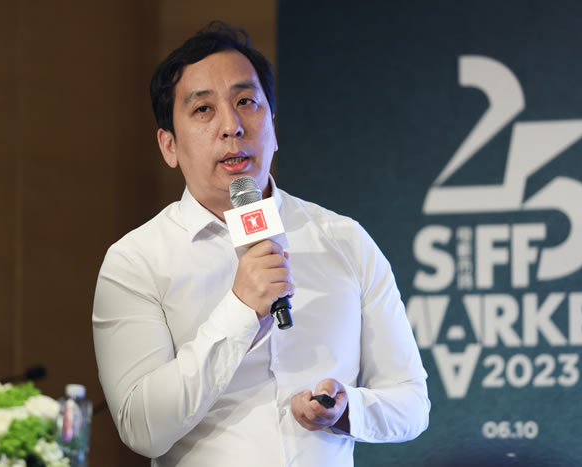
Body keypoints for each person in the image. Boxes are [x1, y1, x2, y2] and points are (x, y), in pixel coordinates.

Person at [92, 22, 429, 467]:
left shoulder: (344, 240)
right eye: (203, 110)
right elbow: (141, 429)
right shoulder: (136, 261)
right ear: (169, 145)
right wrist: (241, 309)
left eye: (246, 102)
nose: (231, 126)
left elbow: (411, 404)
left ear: (273, 125)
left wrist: (349, 410)